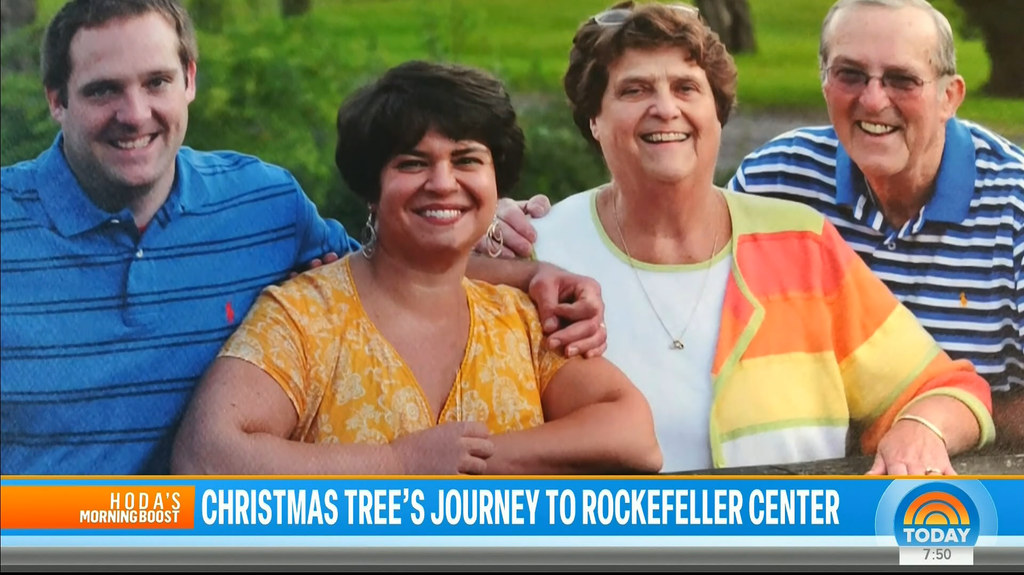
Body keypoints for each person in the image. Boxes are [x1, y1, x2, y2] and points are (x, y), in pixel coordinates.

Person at [0, 0, 606, 475]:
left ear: (188, 80)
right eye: (103, 89)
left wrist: (530, 274)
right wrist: (400, 465)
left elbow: (393, 265)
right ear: (56, 99)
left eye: (156, 81)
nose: (135, 113)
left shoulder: (262, 202)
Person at [495, 1, 994, 474]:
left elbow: (947, 387)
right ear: (594, 120)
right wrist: (476, 235)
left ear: (718, 113)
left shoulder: (801, 244)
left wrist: (921, 427)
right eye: (635, 90)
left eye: (687, 88)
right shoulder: (537, 252)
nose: (665, 108)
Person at [170, 61, 662, 475]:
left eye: (467, 159)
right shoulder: (305, 317)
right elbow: (206, 458)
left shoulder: (521, 315)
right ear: (371, 186)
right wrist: (398, 463)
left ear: (497, 181)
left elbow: (635, 436)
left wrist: (474, 461)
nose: (443, 182)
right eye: (412, 163)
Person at [726, 0, 1022, 451]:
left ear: (950, 97)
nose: (873, 99)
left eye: (901, 80)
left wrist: (937, 421)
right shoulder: (773, 184)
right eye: (851, 75)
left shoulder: (1014, 204)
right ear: (825, 84)